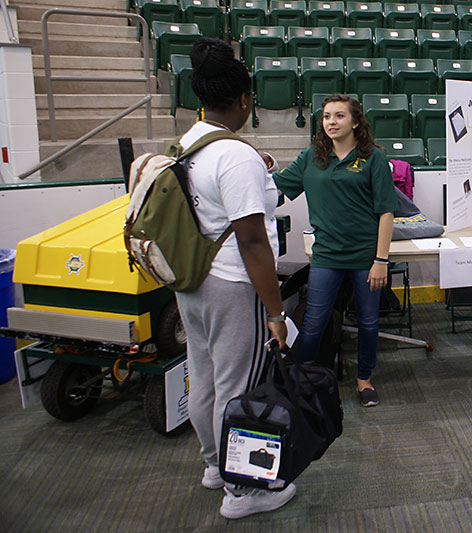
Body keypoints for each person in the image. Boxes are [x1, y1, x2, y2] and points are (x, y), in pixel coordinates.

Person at [173, 38, 295, 520]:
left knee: (202, 375)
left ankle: (213, 466)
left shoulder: (190, 143)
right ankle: (242, 491)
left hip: (193, 279)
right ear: (244, 99)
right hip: (231, 283)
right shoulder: (235, 156)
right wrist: (276, 311)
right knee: (238, 387)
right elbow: (252, 242)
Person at [274, 94, 397, 407]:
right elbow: (276, 188)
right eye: (327, 116)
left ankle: (364, 380)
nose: (331, 122)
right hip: (326, 255)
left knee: (368, 322)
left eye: (339, 116)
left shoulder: (374, 159)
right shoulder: (310, 158)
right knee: (314, 321)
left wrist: (381, 260)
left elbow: (386, 212)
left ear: (355, 122)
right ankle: (299, 378)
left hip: (366, 257)